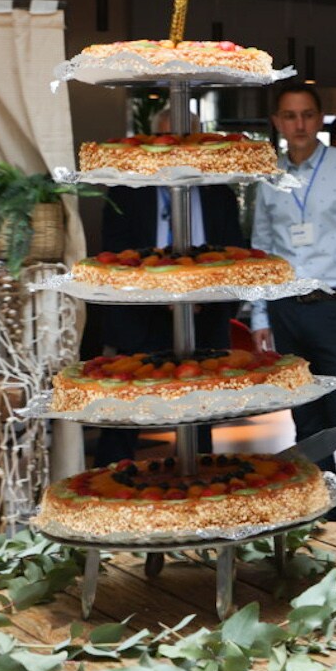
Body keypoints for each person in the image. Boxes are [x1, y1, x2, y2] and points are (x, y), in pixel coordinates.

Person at [249, 81, 336, 519]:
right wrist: (258, 315)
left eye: (307, 115)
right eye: (290, 116)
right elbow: (261, 250)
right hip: (286, 310)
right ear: (277, 122)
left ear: (319, 119)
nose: (300, 124)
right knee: (306, 421)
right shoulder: (269, 176)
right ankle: (320, 513)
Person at [89, 181, 248, 463]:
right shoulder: (127, 192)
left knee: (199, 412)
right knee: (125, 410)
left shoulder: (219, 194)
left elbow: (234, 254)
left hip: (205, 319)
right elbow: (115, 256)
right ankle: (106, 484)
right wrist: (162, 292)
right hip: (140, 318)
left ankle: (197, 479)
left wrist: (203, 296)